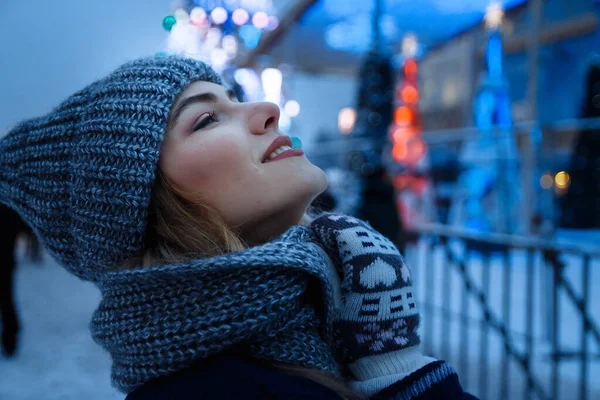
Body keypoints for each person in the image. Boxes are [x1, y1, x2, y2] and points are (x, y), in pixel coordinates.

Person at [0, 56, 476, 399]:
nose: (266, 110)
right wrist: (405, 379)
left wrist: (385, 366)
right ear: (144, 206)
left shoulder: (325, 329)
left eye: (236, 99)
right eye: (207, 119)